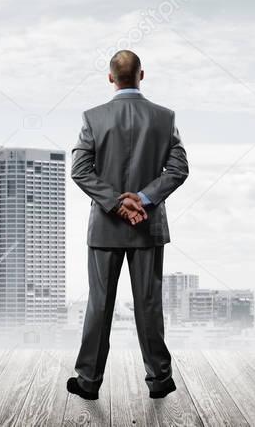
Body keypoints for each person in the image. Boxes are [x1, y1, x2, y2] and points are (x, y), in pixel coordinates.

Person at [67, 50, 189, 400]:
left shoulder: (93, 118)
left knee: (99, 305)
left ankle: (88, 382)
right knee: (149, 305)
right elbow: (178, 169)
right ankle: (160, 381)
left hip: (105, 227)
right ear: (142, 75)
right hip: (147, 226)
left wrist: (117, 203)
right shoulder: (165, 118)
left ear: (110, 78)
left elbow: (80, 171)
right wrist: (144, 199)